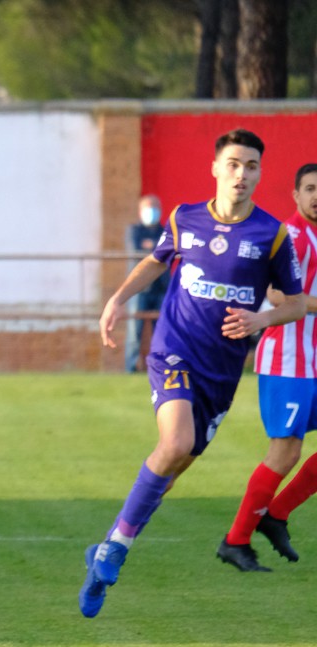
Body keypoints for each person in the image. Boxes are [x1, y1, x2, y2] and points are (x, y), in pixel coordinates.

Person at [81, 128, 305, 618]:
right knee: (176, 444)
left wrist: (262, 319)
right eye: (232, 164)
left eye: (250, 166)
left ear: (259, 173)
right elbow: (155, 262)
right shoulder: (185, 219)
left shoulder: (272, 235)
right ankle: (115, 549)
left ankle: (106, 547)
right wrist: (117, 300)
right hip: (174, 350)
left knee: (175, 463)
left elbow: (298, 301)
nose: (241, 174)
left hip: (222, 372)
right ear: (215, 169)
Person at [221, 163, 317, 570]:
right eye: (310, 188)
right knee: (284, 452)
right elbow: (275, 293)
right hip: (288, 360)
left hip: (313, 360)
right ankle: (236, 540)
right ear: (295, 195)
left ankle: (275, 516)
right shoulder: (291, 236)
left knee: (290, 452)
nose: (316, 196)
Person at [124, 194, 169, 373]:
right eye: (148, 208)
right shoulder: (134, 231)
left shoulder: (164, 231)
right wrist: (155, 250)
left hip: (161, 287)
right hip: (139, 289)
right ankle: (130, 368)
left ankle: (159, 367)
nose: (152, 212)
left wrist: (151, 248)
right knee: (135, 332)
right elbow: (137, 249)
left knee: (161, 331)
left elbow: (164, 252)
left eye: (154, 207)